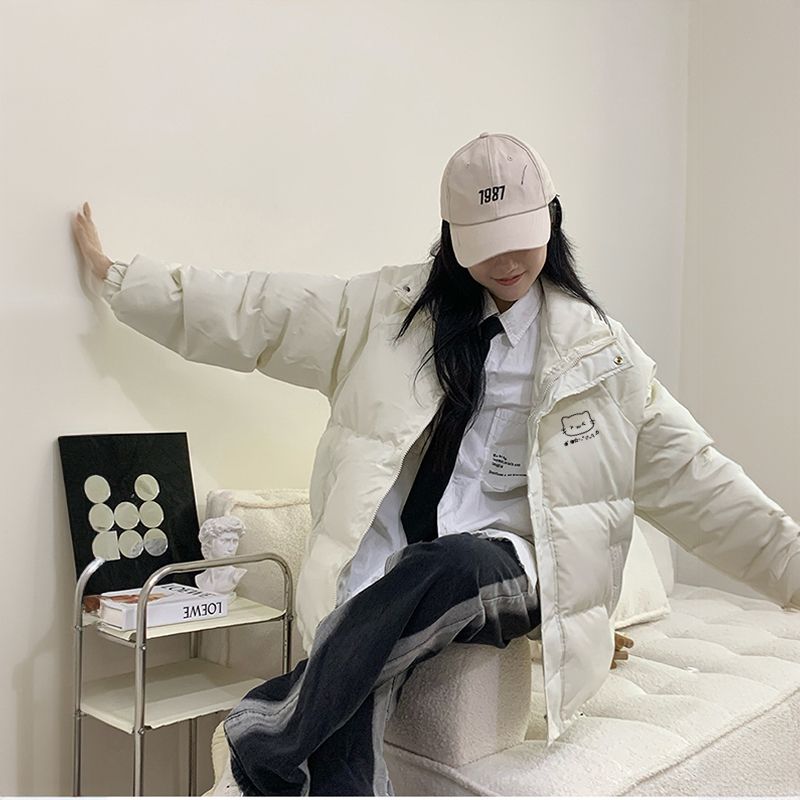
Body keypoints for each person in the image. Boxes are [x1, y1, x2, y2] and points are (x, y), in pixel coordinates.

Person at [72, 131, 800, 796]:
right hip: (393, 573)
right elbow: (256, 310)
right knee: (359, 680)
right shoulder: (382, 313)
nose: (508, 262)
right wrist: (122, 280)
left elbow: (703, 483)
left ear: (552, 222)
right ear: (451, 240)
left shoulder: (603, 360)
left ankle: (272, 721)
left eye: (522, 239)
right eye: (486, 245)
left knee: (452, 563)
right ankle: (301, 753)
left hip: (516, 568)